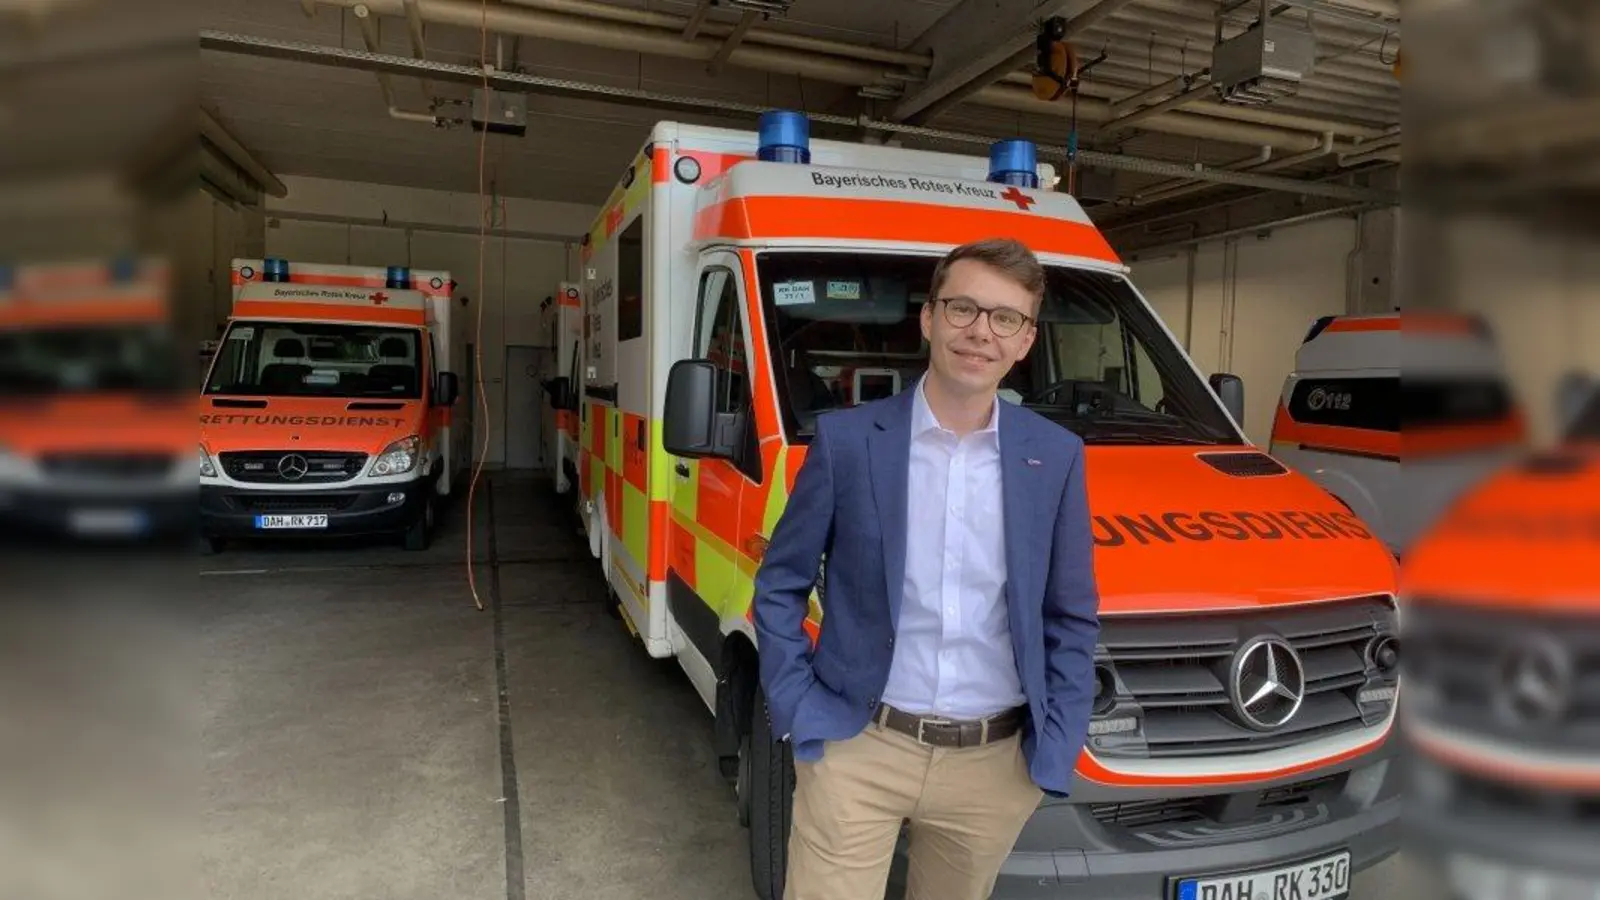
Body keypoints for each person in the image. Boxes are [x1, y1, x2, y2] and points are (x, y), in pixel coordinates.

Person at [752, 237, 1103, 900]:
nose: (980, 332)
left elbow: (1071, 616)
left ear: (1026, 340)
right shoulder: (848, 442)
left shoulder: (1055, 456)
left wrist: (1055, 748)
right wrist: (797, 707)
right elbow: (780, 583)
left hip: (993, 767)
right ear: (929, 318)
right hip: (860, 745)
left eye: (1005, 318)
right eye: (963, 308)